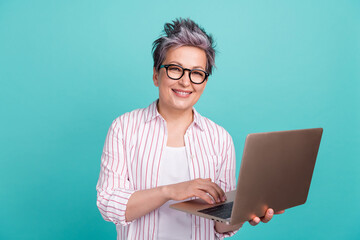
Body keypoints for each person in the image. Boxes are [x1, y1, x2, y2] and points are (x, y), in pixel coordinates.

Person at [96, 18, 284, 240]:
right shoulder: (124, 128)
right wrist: (169, 191)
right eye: (175, 69)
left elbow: (220, 225)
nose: (186, 82)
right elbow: (109, 205)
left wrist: (247, 211)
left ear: (204, 81)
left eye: (196, 73)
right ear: (156, 75)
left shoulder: (220, 138)